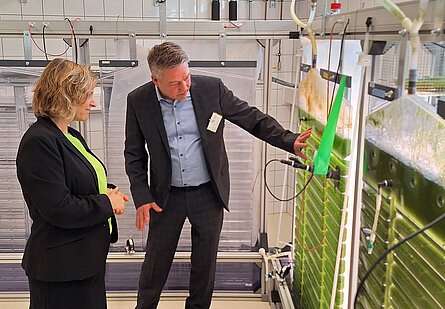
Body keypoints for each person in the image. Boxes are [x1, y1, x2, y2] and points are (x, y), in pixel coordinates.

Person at [124, 41, 312, 309]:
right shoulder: (138, 101)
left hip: (207, 192)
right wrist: (142, 195)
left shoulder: (211, 89)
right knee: (156, 262)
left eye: (186, 78)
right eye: (175, 83)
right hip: (165, 196)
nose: (185, 87)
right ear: (155, 80)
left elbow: (251, 118)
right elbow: (134, 154)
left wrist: (288, 140)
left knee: (205, 263)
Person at [16, 58, 128, 309]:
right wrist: (106, 203)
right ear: (66, 96)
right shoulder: (39, 141)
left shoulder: (70, 135)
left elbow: (76, 181)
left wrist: (108, 192)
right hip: (60, 269)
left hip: (85, 261)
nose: (93, 102)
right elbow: (58, 207)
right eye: (87, 95)